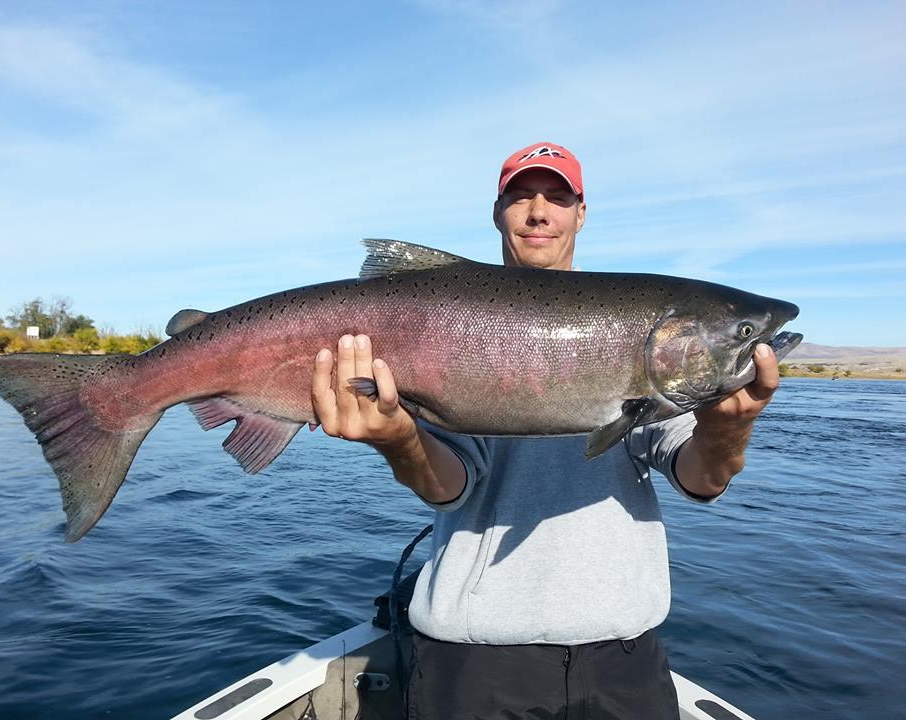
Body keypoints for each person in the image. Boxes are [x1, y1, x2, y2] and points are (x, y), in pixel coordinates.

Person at [310, 142, 781, 719]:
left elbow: (701, 479)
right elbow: (448, 487)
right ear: (497, 212)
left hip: (624, 659)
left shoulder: (645, 333)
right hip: (475, 657)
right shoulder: (454, 323)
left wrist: (728, 430)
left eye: (558, 197)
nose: (539, 212)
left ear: (580, 213)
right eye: (522, 197)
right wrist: (398, 438)